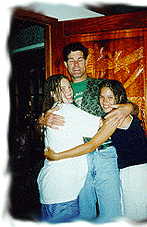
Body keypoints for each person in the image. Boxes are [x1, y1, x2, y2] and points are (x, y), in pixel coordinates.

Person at [38, 42, 138, 221]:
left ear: (86, 62)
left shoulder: (101, 85)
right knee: (83, 214)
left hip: (104, 153)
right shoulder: (59, 91)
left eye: (80, 60)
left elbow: (133, 108)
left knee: (111, 212)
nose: (76, 65)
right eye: (71, 61)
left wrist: (128, 107)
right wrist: (41, 120)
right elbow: (45, 125)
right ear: (66, 64)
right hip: (76, 159)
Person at [45, 79, 147, 222]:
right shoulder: (116, 115)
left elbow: (92, 145)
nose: (104, 101)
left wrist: (57, 156)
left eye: (110, 97)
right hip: (128, 173)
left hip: (137, 177)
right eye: (101, 97)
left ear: (119, 98)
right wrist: (42, 119)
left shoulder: (115, 116)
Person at [37, 74, 102, 223]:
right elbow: (101, 124)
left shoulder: (53, 110)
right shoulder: (67, 109)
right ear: (53, 94)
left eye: (69, 87)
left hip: (53, 188)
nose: (69, 91)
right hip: (62, 190)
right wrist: (124, 110)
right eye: (63, 88)